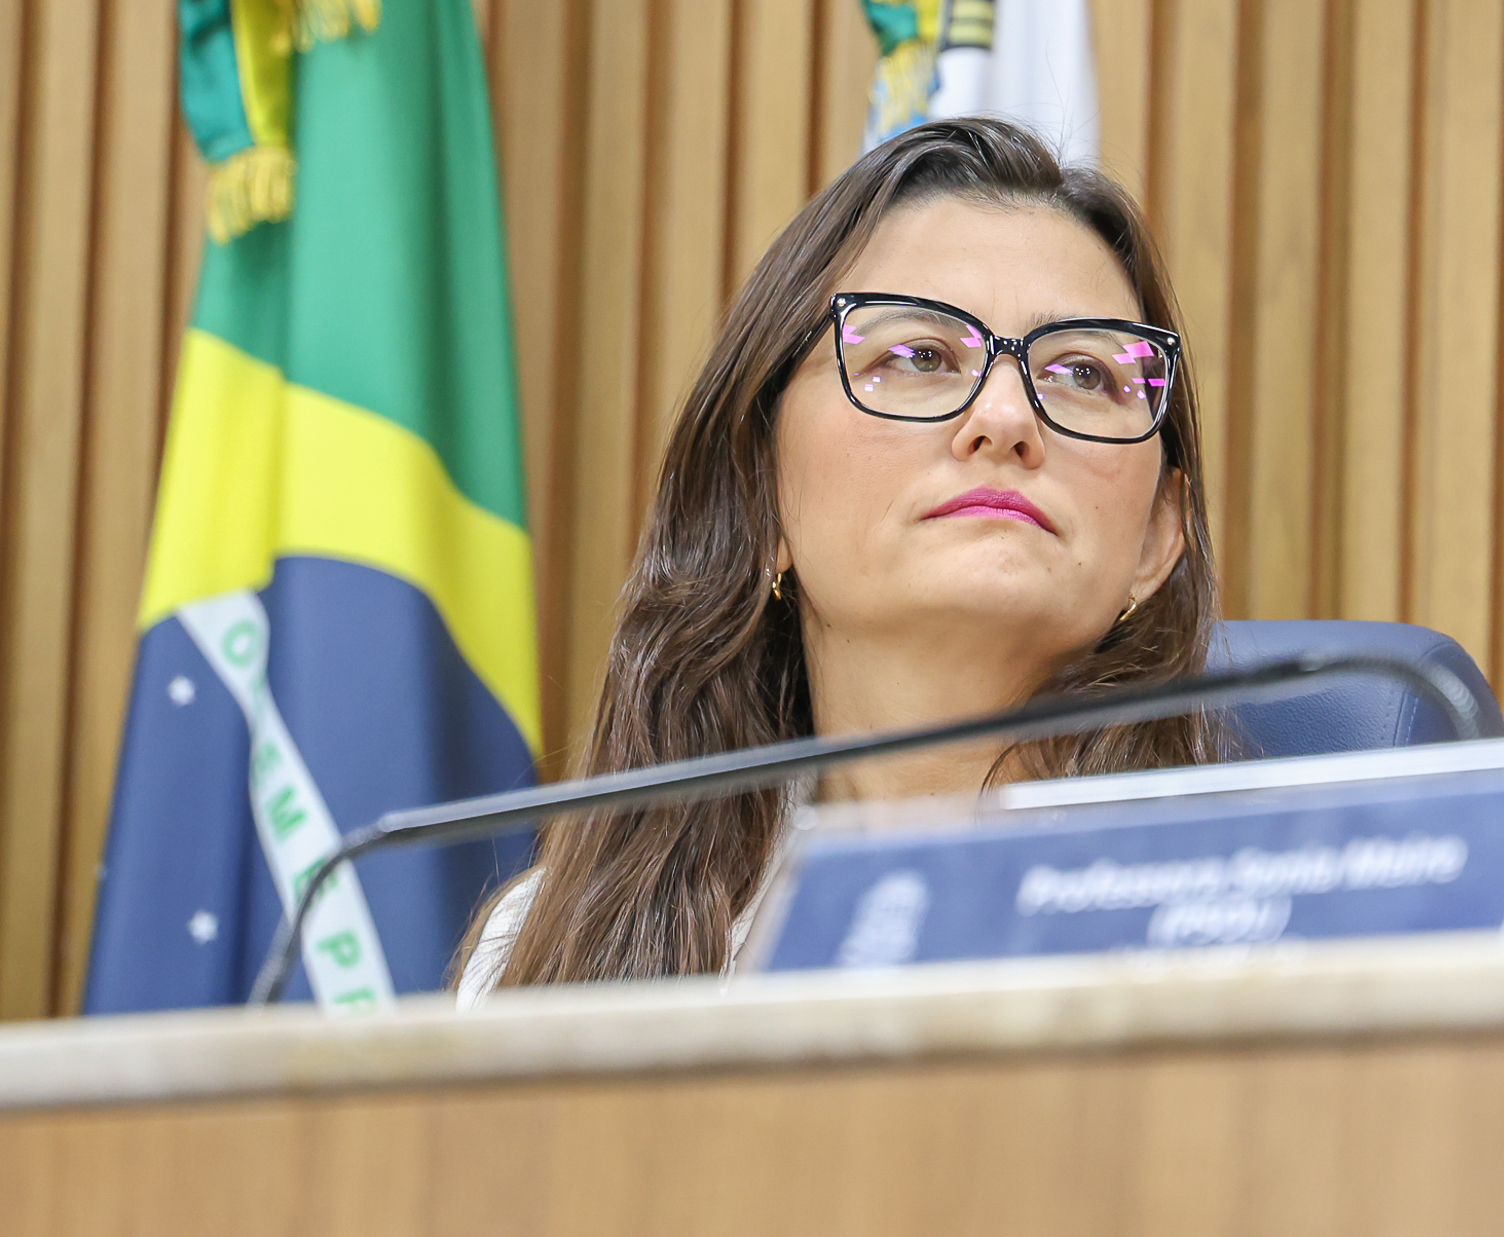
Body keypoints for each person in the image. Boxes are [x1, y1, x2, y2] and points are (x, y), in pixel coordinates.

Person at [456, 117, 1226, 1003]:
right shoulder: (553, 945)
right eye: (918, 355)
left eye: (1084, 373)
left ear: (1158, 536)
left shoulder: (1257, 920)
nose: (1006, 417)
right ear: (761, 494)